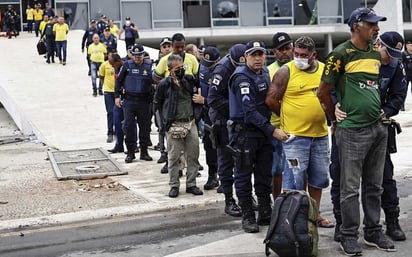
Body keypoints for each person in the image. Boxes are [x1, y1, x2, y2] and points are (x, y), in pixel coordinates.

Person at [316, 7, 395, 255]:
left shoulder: (374, 53)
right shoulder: (340, 54)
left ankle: (373, 231)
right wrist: (333, 117)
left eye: (377, 24)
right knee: (349, 189)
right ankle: (349, 235)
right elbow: (322, 92)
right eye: (372, 24)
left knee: (374, 186)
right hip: (351, 131)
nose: (377, 28)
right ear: (356, 26)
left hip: (378, 129)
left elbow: (371, 86)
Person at [330, 32, 407, 244]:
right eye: (387, 52)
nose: (390, 58)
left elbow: (399, 95)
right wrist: (334, 108)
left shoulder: (395, 65)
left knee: (383, 179)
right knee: (342, 179)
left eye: (394, 55)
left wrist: (385, 111)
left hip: (378, 127)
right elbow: (329, 87)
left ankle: (390, 221)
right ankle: (341, 224)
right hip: (348, 127)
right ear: (378, 43)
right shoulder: (351, 56)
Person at [266, 35, 332, 228]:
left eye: (304, 55)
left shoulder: (323, 70)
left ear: (314, 55)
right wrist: (289, 115)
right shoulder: (285, 72)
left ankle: (314, 215)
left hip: (319, 136)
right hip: (295, 137)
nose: (299, 58)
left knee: (318, 179)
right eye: (296, 54)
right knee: (294, 181)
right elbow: (270, 100)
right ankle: (294, 220)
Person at [229, 40, 288, 233]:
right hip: (245, 133)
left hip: (262, 133)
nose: (258, 58)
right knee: (244, 175)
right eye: (253, 54)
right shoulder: (241, 78)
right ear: (245, 56)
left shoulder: (264, 73)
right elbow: (249, 111)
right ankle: (248, 215)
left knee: (264, 173)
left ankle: (265, 211)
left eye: (261, 54)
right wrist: (273, 130)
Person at [154, 54, 203, 198]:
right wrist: (163, 124)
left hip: (191, 122)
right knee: (173, 157)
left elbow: (199, 89)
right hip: (174, 124)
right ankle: (174, 185)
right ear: (170, 70)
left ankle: (191, 184)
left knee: (194, 155)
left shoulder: (189, 80)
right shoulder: (164, 84)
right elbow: (157, 103)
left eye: (182, 67)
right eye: (177, 68)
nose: (181, 70)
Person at [207, 43, 246, 217]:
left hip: (240, 119)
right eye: (237, 65)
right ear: (231, 59)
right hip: (223, 120)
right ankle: (229, 199)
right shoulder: (222, 70)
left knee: (244, 159)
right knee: (226, 160)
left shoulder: (247, 65)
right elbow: (212, 99)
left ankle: (245, 197)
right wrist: (236, 107)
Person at [153, 33, 200, 173]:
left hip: (187, 101)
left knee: (191, 144)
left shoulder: (191, 59)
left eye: (182, 46)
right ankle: (175, 168)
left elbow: (198, 78)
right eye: (177, 47)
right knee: (174, 145)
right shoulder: (165, 60)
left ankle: (191, 171)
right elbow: (155, 76)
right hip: (171, 104)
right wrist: (166, 85)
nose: (180, 49)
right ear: (172, 46)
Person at [115, 44, 153, 163]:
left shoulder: (149, 66)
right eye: (135, 56)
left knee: (145, 127)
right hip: (130, 101)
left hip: (144, 101)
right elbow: (118, 81)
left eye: (139, 56)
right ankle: (130, 152)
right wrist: (117, 96)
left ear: (143, 55)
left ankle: (144, 151)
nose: (137, 58)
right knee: (129, 127)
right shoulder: (127, 65)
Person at [266, 32, 293, 199]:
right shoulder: (268, 71)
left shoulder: (300, 67)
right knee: (276, 169)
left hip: (299, 128)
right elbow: (268, 100)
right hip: (276, 128)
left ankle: (300, 204)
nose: (285, 52)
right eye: (280, 49)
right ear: (274, 52)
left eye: (287, 48)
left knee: (300, 169)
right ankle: (276, 204)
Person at [193, 46, 220, 191]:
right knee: (209, 146)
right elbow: (197, 83)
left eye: (212, 65)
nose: (208, 68)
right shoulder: (201, 68)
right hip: (207, 115)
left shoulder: (223, 72)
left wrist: (205, 101)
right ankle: (212, 175)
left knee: (222, 147)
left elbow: (225, 99)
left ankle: (225, 178)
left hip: (220, 114)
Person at [154, 37, 173, 167]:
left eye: (168, 46)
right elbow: (155, 78)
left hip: (178, 100)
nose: (166, 48)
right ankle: (164, 154)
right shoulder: (160, 62)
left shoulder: (178, 59)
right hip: (164, 100)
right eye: (164, 46)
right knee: (162, 128)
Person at [100, 52, 118, 144]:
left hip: (117, 92)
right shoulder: (104, 65)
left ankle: (118, 131)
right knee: (110, 112)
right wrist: (104, 87)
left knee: (118, 113)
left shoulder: (118, 64)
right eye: (110, 56)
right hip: (108, 91)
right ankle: (110, 132)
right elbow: (101, 76)